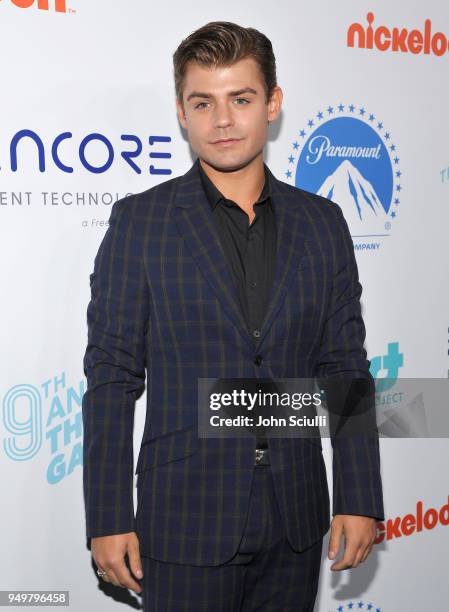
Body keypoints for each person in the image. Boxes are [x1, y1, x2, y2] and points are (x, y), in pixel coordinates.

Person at [82, 21, 385, 611]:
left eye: (240, 99)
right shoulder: (141, 224)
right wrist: (108, 515)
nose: (222, 120)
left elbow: (345, 368)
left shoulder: (323, 224)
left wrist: (359, 493)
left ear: (272, 104)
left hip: (296, 520)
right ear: (182, 112)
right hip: (183, 522)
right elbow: (112, 377)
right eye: (203, 102)